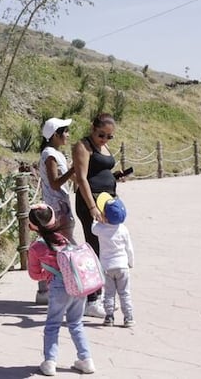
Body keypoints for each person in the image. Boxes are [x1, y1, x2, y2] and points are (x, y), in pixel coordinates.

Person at [27, 203, 96, 376]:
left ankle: (50, 362)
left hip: (58, 287)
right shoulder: (63, 238)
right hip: (78, 284)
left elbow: (35, 275)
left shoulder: (36, 247)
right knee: (76, 322)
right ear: (54, 221)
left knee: (52, 324)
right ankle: (86, 360)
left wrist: (47, 274)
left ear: (31, 226)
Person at [71, 113, 120, 318]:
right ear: (93, 128)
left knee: (108, 248)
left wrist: (116, 178)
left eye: (109, 137)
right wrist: (92, 207)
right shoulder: (83, 146)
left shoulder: (103, 146)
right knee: (95, 248)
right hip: (91, 203)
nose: (105, 140)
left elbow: (102, 171)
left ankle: (101, 296)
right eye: (102, 135)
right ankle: (92, 299)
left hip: (107, 201)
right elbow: (82, 179)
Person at [35, 117, 76, 304]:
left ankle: (46, 288)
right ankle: (72, 284)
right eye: (64, 132)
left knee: (58, 245)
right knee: (64, 246)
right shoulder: (49, 155)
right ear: (54, 135)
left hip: (61, 204)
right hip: (56, 207)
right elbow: (54, 182)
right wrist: (73, 170)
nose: (67, 135)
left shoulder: (56, 153)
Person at [92, 192, 134, 327]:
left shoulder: (100, 228)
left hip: (107, 267)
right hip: (122, 266)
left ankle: (109, 317)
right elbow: (129, 248)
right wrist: (131, 262)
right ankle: (128, 317)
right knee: (125, 293)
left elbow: (92, 228)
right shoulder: (123, 229)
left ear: (105, 216)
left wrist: (96, 218)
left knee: (109, 294)